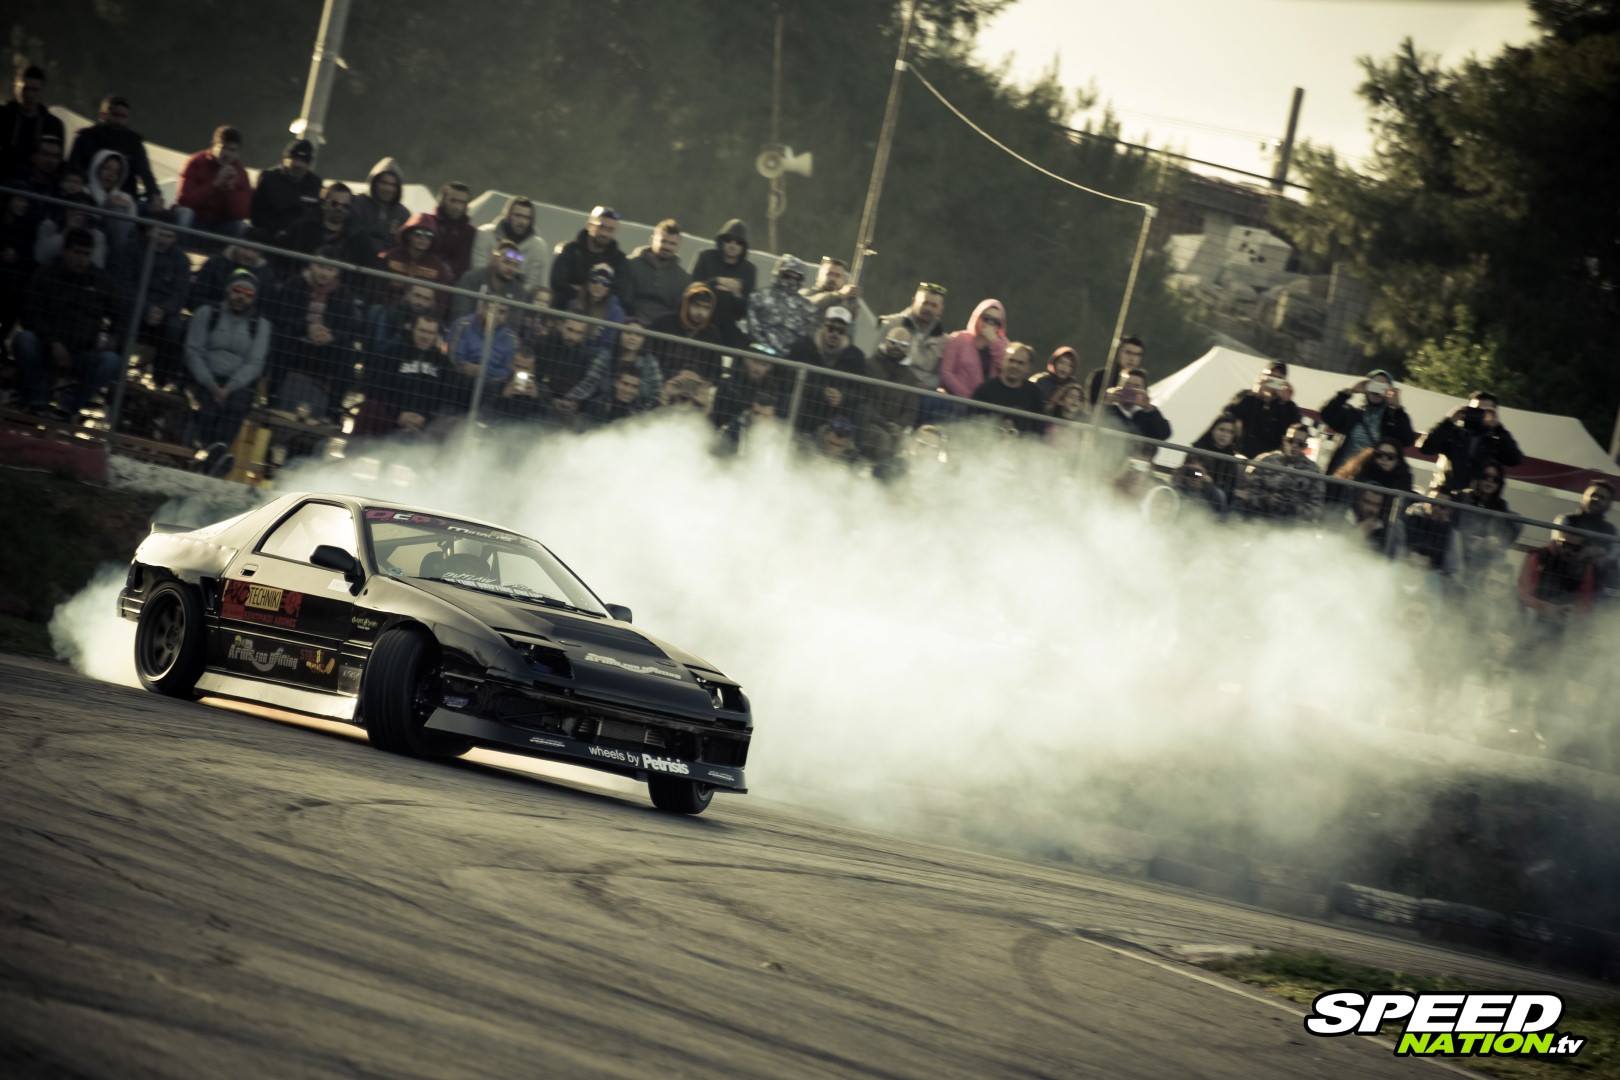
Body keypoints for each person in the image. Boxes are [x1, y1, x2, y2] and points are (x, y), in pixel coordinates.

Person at [12, 228, 122, 417]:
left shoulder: (100, 280)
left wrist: (112, 337)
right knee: (24, 340)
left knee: (111, 361)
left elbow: (120, 314)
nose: (81, 259)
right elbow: (30, 312)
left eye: (87, 254)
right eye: (77, 252)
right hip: (45, 346)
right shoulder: (46, 273)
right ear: (65, 250)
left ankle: (68, 407)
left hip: (84, 352)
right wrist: (52, 342)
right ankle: (38, 400)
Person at [184, 268, 271, 463]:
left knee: (236, 408)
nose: (241, 297)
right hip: (206, 377)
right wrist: (211, 384)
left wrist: (230, 387)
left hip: (237, 383)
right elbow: (193, 351)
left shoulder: (260, 325)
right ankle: (200, 452)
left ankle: (217, 455)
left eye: (248, 294)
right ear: (227, 290)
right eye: (237, 291)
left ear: (255, 298)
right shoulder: (207, 313)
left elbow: (255, 362)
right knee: (205, 407)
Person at [265, 251, 363, 421]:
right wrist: (306, 328)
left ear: (337, 272)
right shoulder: (294, 284)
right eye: (320, 267)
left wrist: (331, 335)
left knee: (347, 353)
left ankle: (332, 412)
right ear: (311, 265)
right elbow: (280, 316)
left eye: (330, 269)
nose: (324, 273)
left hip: (326, 348)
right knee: (281, 340)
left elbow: (348, 328)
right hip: (296, 342)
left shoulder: (344, 294)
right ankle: (272, 399)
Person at [355, 312, 465, 437]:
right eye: (422, 331)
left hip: (428, 424)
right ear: (412, 330)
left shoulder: (443, 362)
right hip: (391, 417)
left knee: (455, 421)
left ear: (436, 335)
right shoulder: (392, 353)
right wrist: (397, 414)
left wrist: (427, 418)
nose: (425, 336)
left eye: (430, 333)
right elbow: (375, 387)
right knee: (370, 407)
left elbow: (449, 396)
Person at [123, 211, 191, 388]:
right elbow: (126, 285)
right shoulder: (133, 249)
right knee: (124, 316)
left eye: (169, 236)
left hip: (165, 311)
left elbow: (180, 294)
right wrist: (146, 308)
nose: (163, 240)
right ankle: (119, 372)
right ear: (150, 231)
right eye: (161, 234)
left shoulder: (181, 259)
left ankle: (161, 381)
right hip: (136, 305)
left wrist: (162, 310)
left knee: (175, 328)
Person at [1417, 390, 1524, 493]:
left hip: (1475, 498)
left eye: (1485, 412)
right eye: (1475, 410)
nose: (1479, 414)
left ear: (1493, 414)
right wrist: (1449, 421)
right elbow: (1426, 448)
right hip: (1445, 494)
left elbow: (1514, 460)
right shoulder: (1453, 433)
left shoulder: (1494, 441)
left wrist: (1499, 428)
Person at [66, 95, 160, 208]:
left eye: (123, 116)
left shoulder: (133, 142)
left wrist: (154, 195)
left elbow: (145, 172)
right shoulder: (86, 137)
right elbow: (74, 167)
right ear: (103, 115)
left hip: (123, 200)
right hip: (87, 197)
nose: (119, 120)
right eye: (115, 115)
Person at [1319, 370, 1416, 476]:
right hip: (1342, 474)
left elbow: (1408, 440)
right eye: (1374, 385)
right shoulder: (1354, 415)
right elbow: (1326, 415)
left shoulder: (1391, 421)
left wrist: (1398, 408)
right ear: (1367, 387)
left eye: (1382, 387)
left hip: (1373, 479)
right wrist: (1349, 392)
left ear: (1389, 391)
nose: (1377, 390)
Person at [557, 316, 663, 413]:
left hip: (637, 413)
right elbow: (590, 382)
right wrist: (571, 398)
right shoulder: (606, 356)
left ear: (644, 339)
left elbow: (657, 392)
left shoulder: (650, 362)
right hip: (605, 410)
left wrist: (644, 412)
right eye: (628, 333)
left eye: (638, 335)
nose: (632, 338)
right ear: (619, 335)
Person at [787, 304, 866, 433]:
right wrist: (820, 392)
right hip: (806, 406)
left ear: (846, 332)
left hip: (836, 413)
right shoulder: (803, 346)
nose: (835, 334)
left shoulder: (856, 356)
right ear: (823, 326)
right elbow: (788, 377)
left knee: (860, 411)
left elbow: (861, 391)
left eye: (840, 331)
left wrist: (843, 397)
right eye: (831, 328)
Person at [855, 323, 925, 466]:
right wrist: (885, 424)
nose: (897, 347)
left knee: (910, 447)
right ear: (885, 341)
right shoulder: (868, 366)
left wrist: (899, 425)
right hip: (868, 424)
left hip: (896, 429)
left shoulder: (911, 378)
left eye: (903, 345)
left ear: (909, 348)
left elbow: (911, 410)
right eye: (893, 342)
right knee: (884, 440)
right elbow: (862, 401)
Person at [1235, 422, 1324, 524]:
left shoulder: (1313, 471)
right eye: (1290, 441)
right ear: (1284, 440)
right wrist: (1266, 499)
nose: (1294, 446)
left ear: (1305, 447)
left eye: (1300, 444)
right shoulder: (1266, 461)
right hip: (1260, 519)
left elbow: (1316, 509)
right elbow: (1248, 492)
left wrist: (1295, 507)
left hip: (1292, 526)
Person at [549, 205, 631, 310]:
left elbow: (621, 293)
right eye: (601, 227)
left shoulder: (619, 260)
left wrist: (582, 290)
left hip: (601, 314)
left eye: (610, 230)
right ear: (589, 225)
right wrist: (592, 292)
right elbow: (557, 283)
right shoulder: (570, 251)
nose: (605, 233)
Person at [175, 125, 252, 236]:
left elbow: (242, 213)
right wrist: (214, 184)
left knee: (241, 226)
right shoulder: (196, 162)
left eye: (232, 150)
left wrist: (230, 190)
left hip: (219, 225)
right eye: (223, 148)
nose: (227, 154)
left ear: (238, 153)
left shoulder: (240, 173)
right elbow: (184, 200)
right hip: (195, 220)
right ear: (213, 146)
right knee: (185, 213)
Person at [689, 218, 755, 346]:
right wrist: (717, 281)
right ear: (721, 241)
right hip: (699, 318)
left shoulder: (749, 270)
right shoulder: (705, 257)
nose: (732, 245)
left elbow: (745, 311)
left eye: (739, 242)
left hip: (727, 325)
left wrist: (736, 295)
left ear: (744, 247)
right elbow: (691, 289)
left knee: (746, 347)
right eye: (728, 240)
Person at [1451, 463, 1520, 585]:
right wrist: (1468, 540)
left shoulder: (1501, 506)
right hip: (1458, 554)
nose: (1490, 482)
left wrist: (1497, 541)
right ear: (1478, 478)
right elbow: (1452, 525)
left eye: (1495, 479)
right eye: (1485, 477)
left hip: (1484, 562)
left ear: (1500, 484)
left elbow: (1510, 532)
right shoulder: (1463, 498)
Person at [1518, 516, 1598, 619]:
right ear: (1556, 539)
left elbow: (1585, 602)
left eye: (1575, 548)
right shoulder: (1538, 557)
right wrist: (1546, 608)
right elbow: (1523, 594)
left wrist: (1573, 612)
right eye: (1565, 545)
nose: (1569, 551)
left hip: (1566, 619)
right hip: (1533, 615)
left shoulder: (1585, 567)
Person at [650, 282, 727, 386]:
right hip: (662, 381)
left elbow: (715, 371)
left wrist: (699, 380)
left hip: (697, 387)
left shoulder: (712, 333)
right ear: (686, 303)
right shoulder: (663, 323)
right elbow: (650, 357)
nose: (700, 312)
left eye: (706, 308)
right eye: (696, 305)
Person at [1224, 360, 1302, 459]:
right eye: (1270, 376)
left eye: (1278, 379)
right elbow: (1228, 415)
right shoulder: (1246, 396)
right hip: (1240, 454)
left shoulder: (1288, 406)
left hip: (1271, 460)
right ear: (1262, 376)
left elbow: (1294, 431)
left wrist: (1284, 403)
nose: (1273, 382)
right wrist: (1254, 395)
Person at [376, 214, 454, 312]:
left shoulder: (438, 267)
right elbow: (377, 288)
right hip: (389, 308)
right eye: (418, 234)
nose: (423, 239)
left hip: (421, 313)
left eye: (429, 236)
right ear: (408, 235)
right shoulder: (392, 256)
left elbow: (440, 300)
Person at [876, 282, 947, 389]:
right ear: (913, 302)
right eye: (925, 303)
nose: (928, 309)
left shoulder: (945, 341)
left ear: (941, 309)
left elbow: (939, 376)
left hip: (923, 392)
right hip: (889, 386)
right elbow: (876, 359)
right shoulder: (891, 324)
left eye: (934, 305)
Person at [251, 139, 321, 248]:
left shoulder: (314, 183)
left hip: (300, 241)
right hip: (270, 237)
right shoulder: (269, 179)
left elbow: (314, 215)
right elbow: (256, 214)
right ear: (285, 159)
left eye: (303, 161)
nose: (298, 165)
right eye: (294, 159)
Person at [0, 65, 64, 183]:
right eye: (26, 88)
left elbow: (56, 163)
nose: (29, 94)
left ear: (42, 91)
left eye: (35, 90)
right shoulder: (4, 115)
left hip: (36, 184)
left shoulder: (53, 125)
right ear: (18, 88)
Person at [747, 254, 817, 357]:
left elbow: (807, 338)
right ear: (778, 273)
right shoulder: (759, 297)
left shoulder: (808, 308)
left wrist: (790, 355)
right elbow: (753, 330)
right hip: (760, 354)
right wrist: (770, 351)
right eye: (787, 276)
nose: (792, 281)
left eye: (797, 278)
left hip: (792, 359)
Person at [470, 195, 548, 285]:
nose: (522, 222)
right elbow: (479, 270)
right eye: (518, 216)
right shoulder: (486, 234)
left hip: (518, 293)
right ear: (507, 215)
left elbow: (533, 284)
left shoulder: (538, 247)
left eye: (527, 218)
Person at [970, 341, 1044, 433]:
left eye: (1020, 363)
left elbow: (1039, 429)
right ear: (1002, 362)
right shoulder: (984, 390)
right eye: (1011, 360)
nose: (1014, 366)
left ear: (1028, 368)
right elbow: (971, 421)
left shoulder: (1034, 394)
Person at [625, 218, 689, 323]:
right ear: (651, 240)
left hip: (662, 328)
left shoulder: (683, 278)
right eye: (663, 241)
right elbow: (624, 301)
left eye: (672, 243)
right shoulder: (631, 265)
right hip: (629, 324)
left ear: (678, 246)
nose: (667, 247)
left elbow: (677, 313)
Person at [348, 157, 409, 268]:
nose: (388, 188)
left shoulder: (403, 214)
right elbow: (354, 234)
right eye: (383, 183)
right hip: (356, 265)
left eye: (393, 185)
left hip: (386, 270)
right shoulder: (358, 203)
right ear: (374, 182)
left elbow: (404, 246)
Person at [938, 299, 1007, 397]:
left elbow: (1006, 369)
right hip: (959, 400)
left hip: (989, 403)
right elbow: (946, 373)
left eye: (996, 322)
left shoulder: (1004, 345)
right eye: (986, 318)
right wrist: (968, 397)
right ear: (977, 317)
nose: (990, 324)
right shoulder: (959, 338)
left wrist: (994, 342)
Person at [446, 297, 519, 390]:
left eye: (502, 312)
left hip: (492, 387)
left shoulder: (511, 338)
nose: (496, 316)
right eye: (492, 310)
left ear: (507, 315)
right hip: (459, 380)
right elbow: (453, 356)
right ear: (483, 308)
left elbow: (507, 372)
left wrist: (484, 371)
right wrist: (465, 367)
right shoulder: (463, 325)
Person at [450, 240, 529, 324]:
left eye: (515, 265)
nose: (511, 268)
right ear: (494, 259)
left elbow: (513, 326)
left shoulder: (518, 291)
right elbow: (460, 316)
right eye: (506, 262)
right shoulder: (471, 279)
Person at [1562, 479, 1617, 595]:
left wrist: (1583, 547)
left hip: (1596, 586)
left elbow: (1612, 556)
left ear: (1608, 505)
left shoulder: (1612, 530)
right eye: (1593, 495)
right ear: (1584, 496)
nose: (1595, 499)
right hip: (1561, 576)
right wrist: (1595, 549)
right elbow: (1561, 541)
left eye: (1602, 497)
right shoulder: (1566, 519)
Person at [191, 241, 276, 312]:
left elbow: (265, 309)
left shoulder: (266, 275)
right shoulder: (215, 263)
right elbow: (197, 297)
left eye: (255, 251)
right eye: (245, 248)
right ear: (236, 245)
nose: (249, 255)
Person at [422, 181, 477, 281]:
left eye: (462, 202)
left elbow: (463, 265)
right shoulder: (427, 222)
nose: (457, 207)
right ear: (442, 200)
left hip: (452, 283)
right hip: (424, 277)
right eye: (453, 201)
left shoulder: (469, 232)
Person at [366, 282, 439, 355]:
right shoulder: (390, 314)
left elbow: (440, 350)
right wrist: (402, 334)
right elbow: (379, 348)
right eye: (417, 296)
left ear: (432, 303)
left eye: (426, 299)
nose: (420, 302)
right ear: (408, 295)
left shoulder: (434, 323)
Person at [1190, 412, 1247, 507]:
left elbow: (1232, 483)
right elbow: (1192, 472)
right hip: (1199, 490)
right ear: (1213, 430)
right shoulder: (1198, 449)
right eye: (1221, 430)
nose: (1224, 435)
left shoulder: (1232, 457)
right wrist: (1202, 476)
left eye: (1230, 432)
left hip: (1223, 496)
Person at [1098, 369, 1172, 441]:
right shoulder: (1109, 409)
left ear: (1144, 391)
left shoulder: (1146, 415)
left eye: (1136, 386)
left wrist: (1149, 408)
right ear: (1118, 388)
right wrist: (1107, 404)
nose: (1130, 389)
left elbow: (1163, 434)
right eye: (1127, 384)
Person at [1331, 439, 1415, 495]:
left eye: (1390, 457)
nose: (1384, 459)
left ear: (1398, 461)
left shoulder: (1403, 481)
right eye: (1379, 455)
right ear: (1373, 456)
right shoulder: (1361, 472)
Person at [575, 263, 627, 353]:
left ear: (609, 288)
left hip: (599, 355)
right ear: (588, 283)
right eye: (594, 280)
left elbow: (608, 345)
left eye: (605, 283)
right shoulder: (575, 303)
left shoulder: (616, 312)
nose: (599, 286)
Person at [1084, 335, 1144, 407]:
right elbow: (1089, 405)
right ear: (1119, 353)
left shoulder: (1141, 381)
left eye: (1137, 355)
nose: (1132, 358)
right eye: (1128, 353)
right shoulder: (1102, 377)